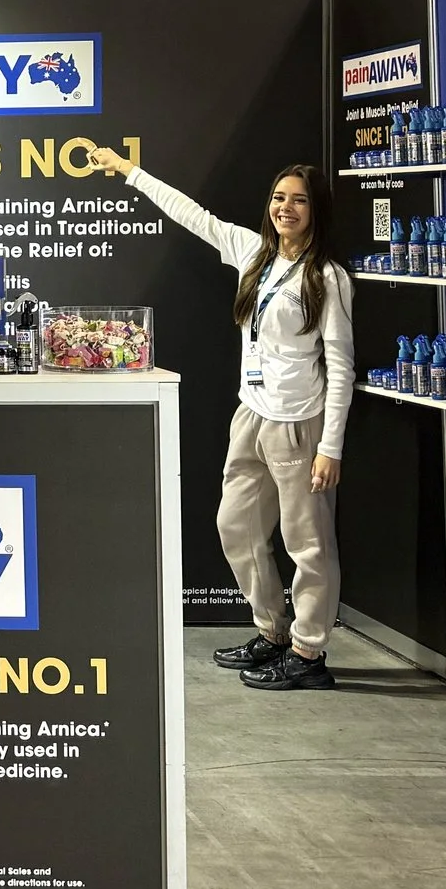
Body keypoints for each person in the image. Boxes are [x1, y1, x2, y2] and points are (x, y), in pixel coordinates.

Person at [92, 146, 352, 690]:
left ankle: (308, 653)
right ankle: (273, 631)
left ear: (317, 210)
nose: (286, 208)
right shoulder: (253, 251)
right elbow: (193, 215)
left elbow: (341, 367)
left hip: (298, 422)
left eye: (299, 200)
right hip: (250, 415)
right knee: (235, 526)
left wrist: (330, 447)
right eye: (279, 198)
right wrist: (130, 172)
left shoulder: (326, 277)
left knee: (307, 544)